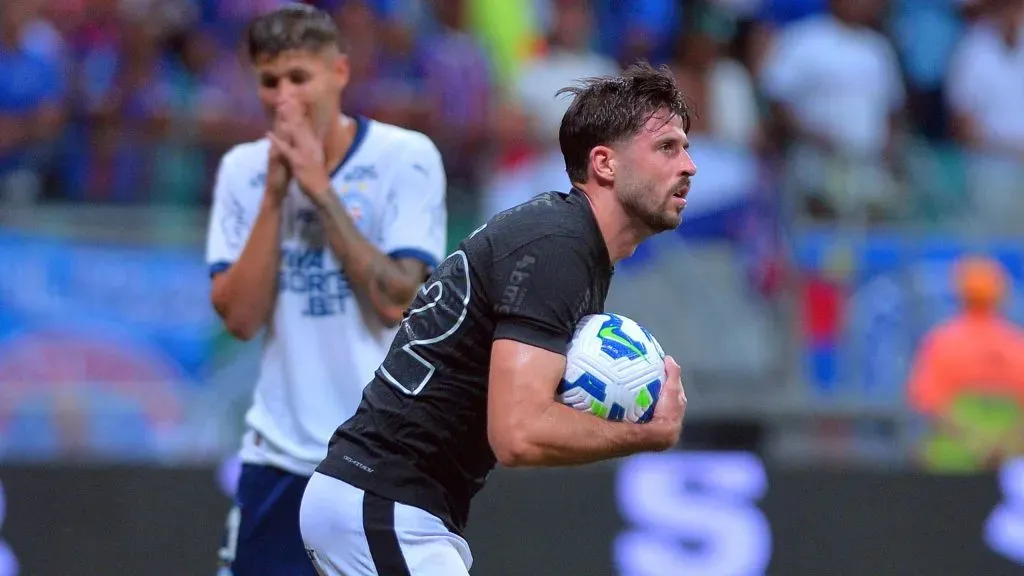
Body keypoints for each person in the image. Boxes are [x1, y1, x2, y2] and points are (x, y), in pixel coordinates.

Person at [300, 62, 694, 576]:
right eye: (667, 148)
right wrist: (648, 434)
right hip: (383, 502)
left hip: (388, 504)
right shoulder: (558, 248)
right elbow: (518, 433)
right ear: (605, 163)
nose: (688, 165)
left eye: (686, 148)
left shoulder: (566, 242)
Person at [204, 5, 448, 575]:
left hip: (377, 460)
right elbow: (239, 320)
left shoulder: (404, 158)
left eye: (299, 77)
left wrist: (319, 191)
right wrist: (274, 196)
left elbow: (396, 299)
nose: (284, 98)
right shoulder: (243, 171)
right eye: (269, 81)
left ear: (339, 72)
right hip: (278, 458)